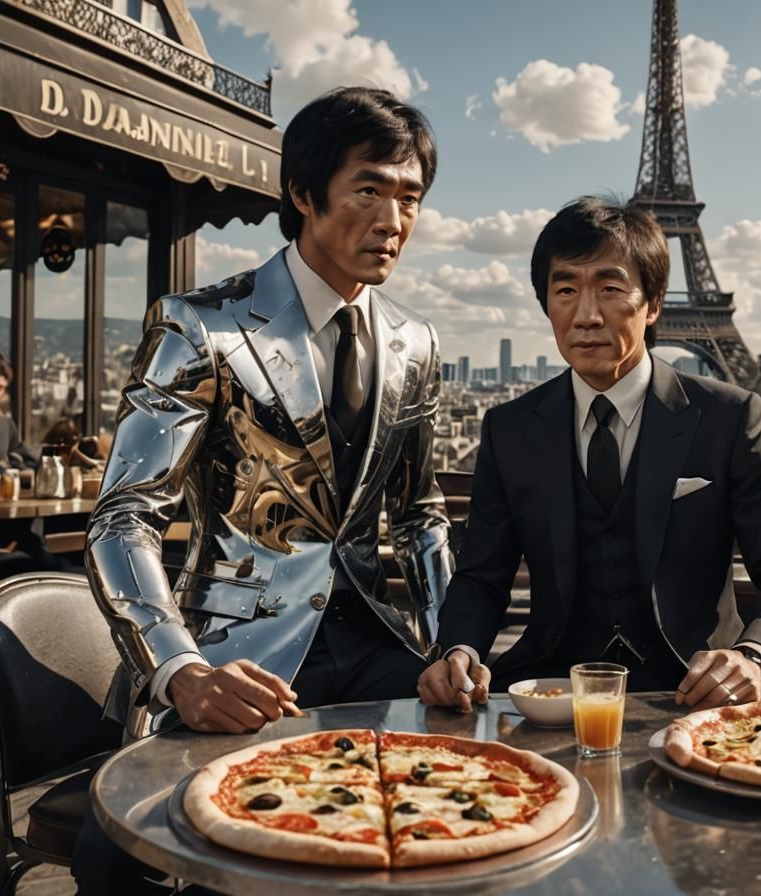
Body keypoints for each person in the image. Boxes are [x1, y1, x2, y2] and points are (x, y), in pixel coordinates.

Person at [74, 87, 452, 894]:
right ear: (303, 194)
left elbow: (421, 516)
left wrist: (451, 640)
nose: (394, 220)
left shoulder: (416, 343)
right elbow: (125, 517)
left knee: (459, 812)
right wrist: (178, 669)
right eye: (369, 190)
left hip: (376, 649)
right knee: (123, 859)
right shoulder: (199, 325)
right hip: (232, 654)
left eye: (410, 197)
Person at [419, 197, 761, 713]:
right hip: (553, 692)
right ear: (547, 306)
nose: (586, 316)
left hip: (696, 689)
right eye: (566, 291)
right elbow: (481, 576)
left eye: (610, 290)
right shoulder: (510, 428)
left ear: (653, 304)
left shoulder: (729, 418)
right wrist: (458, 651)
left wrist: (753, 657)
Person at [0, 344, 58, 580]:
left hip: (9, 531)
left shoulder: (3, 424)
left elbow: (27, 461)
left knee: (52, 561)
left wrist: (13, 472)